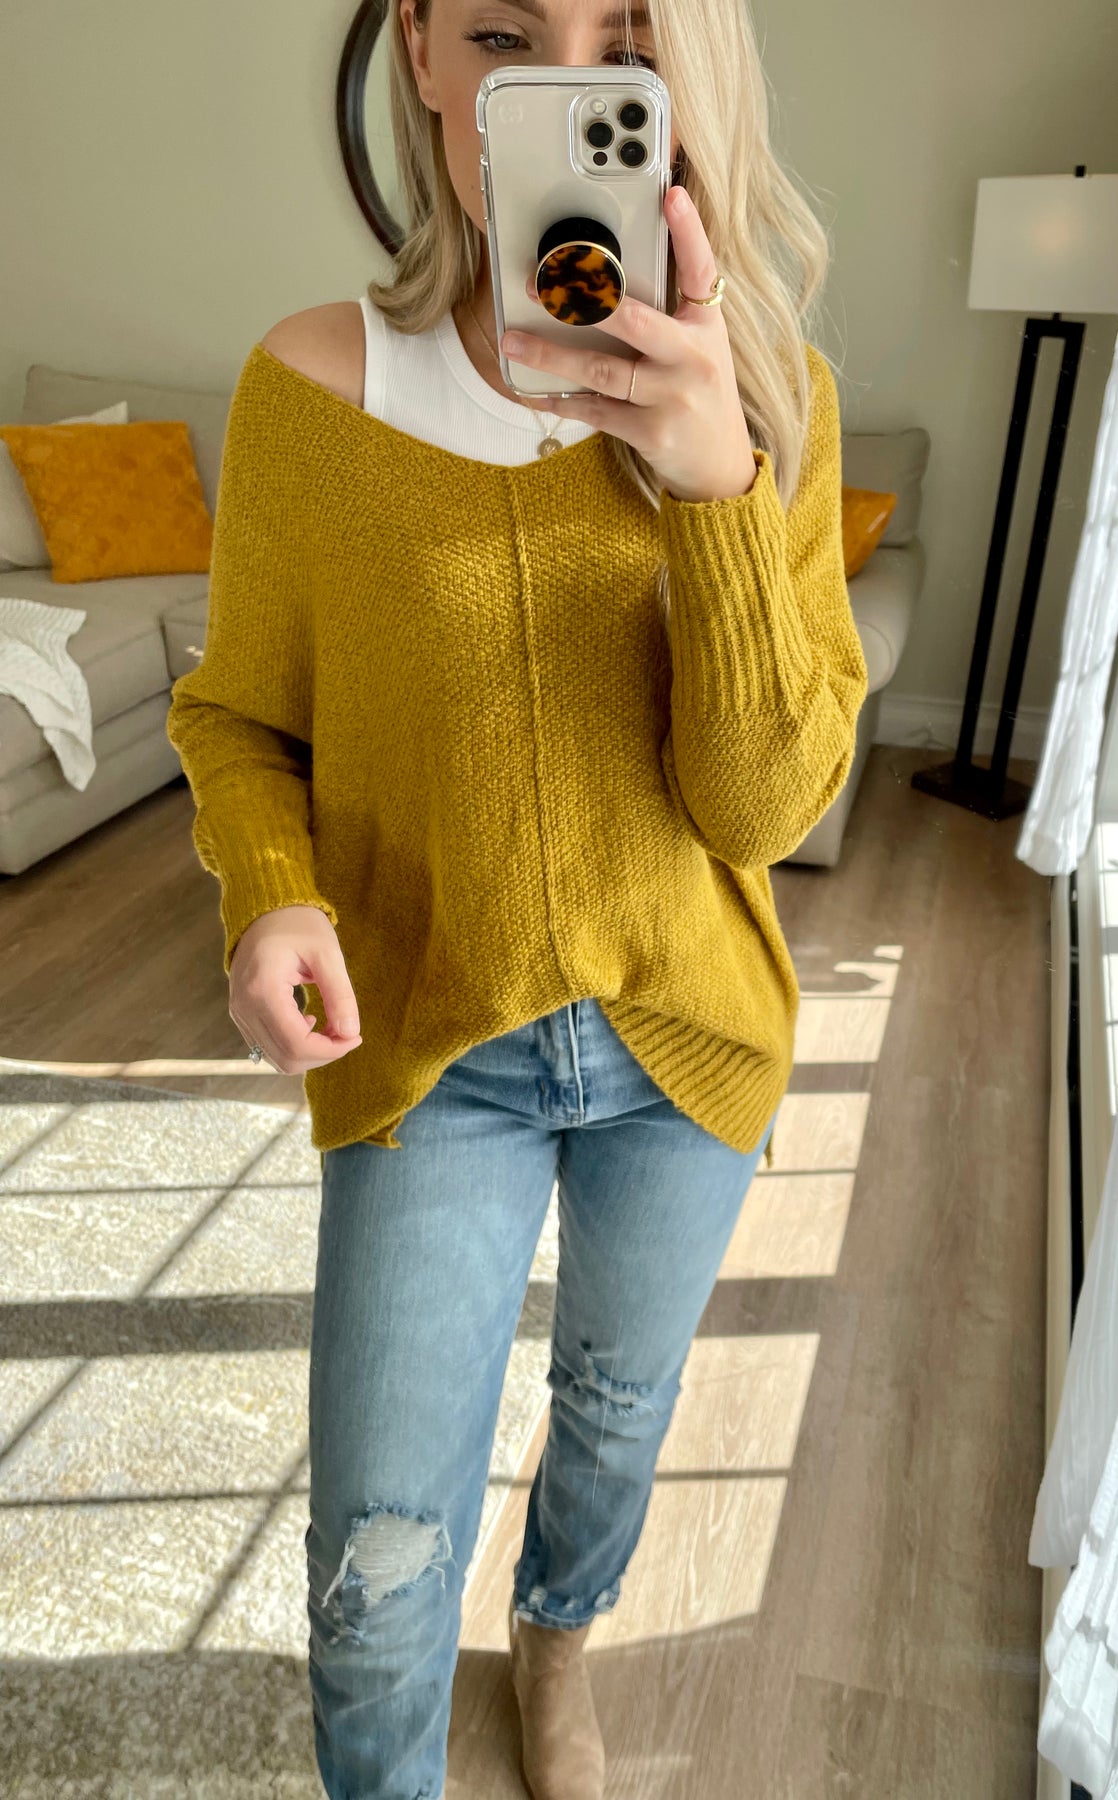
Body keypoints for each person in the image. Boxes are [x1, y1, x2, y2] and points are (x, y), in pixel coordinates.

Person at [166, 1, 868, 1794]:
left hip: (681, 1042)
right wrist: (269, 896)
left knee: (616, 1417)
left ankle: (559, 1637)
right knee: (377, 1549)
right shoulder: (311, 387)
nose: (560, 81)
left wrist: (716, 487)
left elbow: (765, 806)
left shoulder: (767, 392)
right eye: (499, 30)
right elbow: (238, 714)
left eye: (621, 40)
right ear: (414, 50)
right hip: (427, 1044)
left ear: (685, 75)